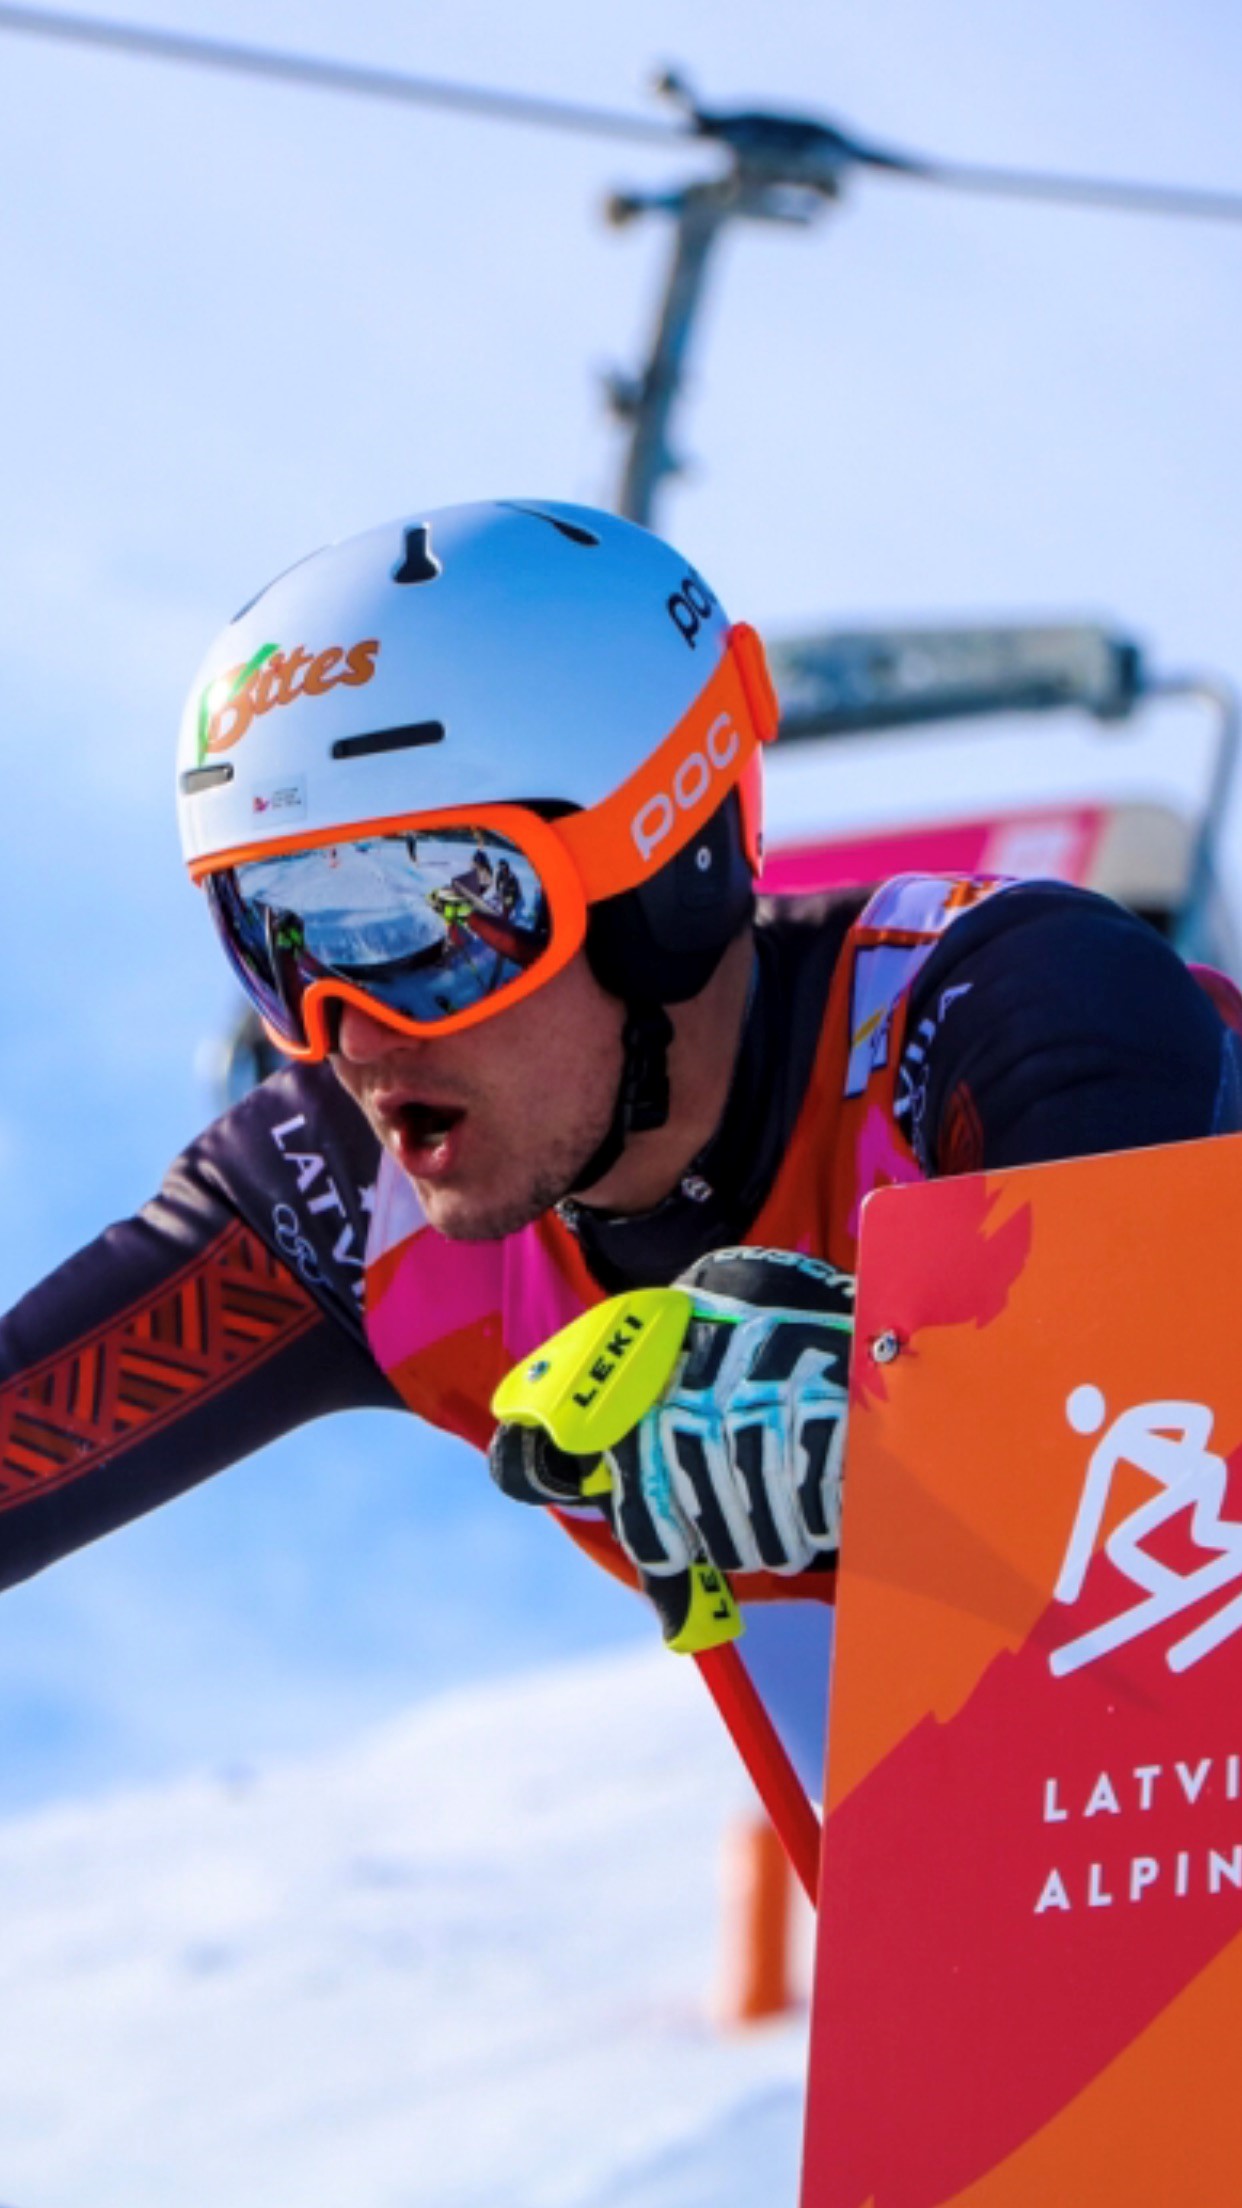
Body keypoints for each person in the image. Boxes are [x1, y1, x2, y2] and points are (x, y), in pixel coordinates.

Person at [1, 499, 1238, 1784]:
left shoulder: (1016, 1005)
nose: (348, 1034)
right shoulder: (348, 1198)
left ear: (662, 875)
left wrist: (913, 1413)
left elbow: (1166, 1400)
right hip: (1005, 1891)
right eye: (275, 942)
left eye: (417, 929)